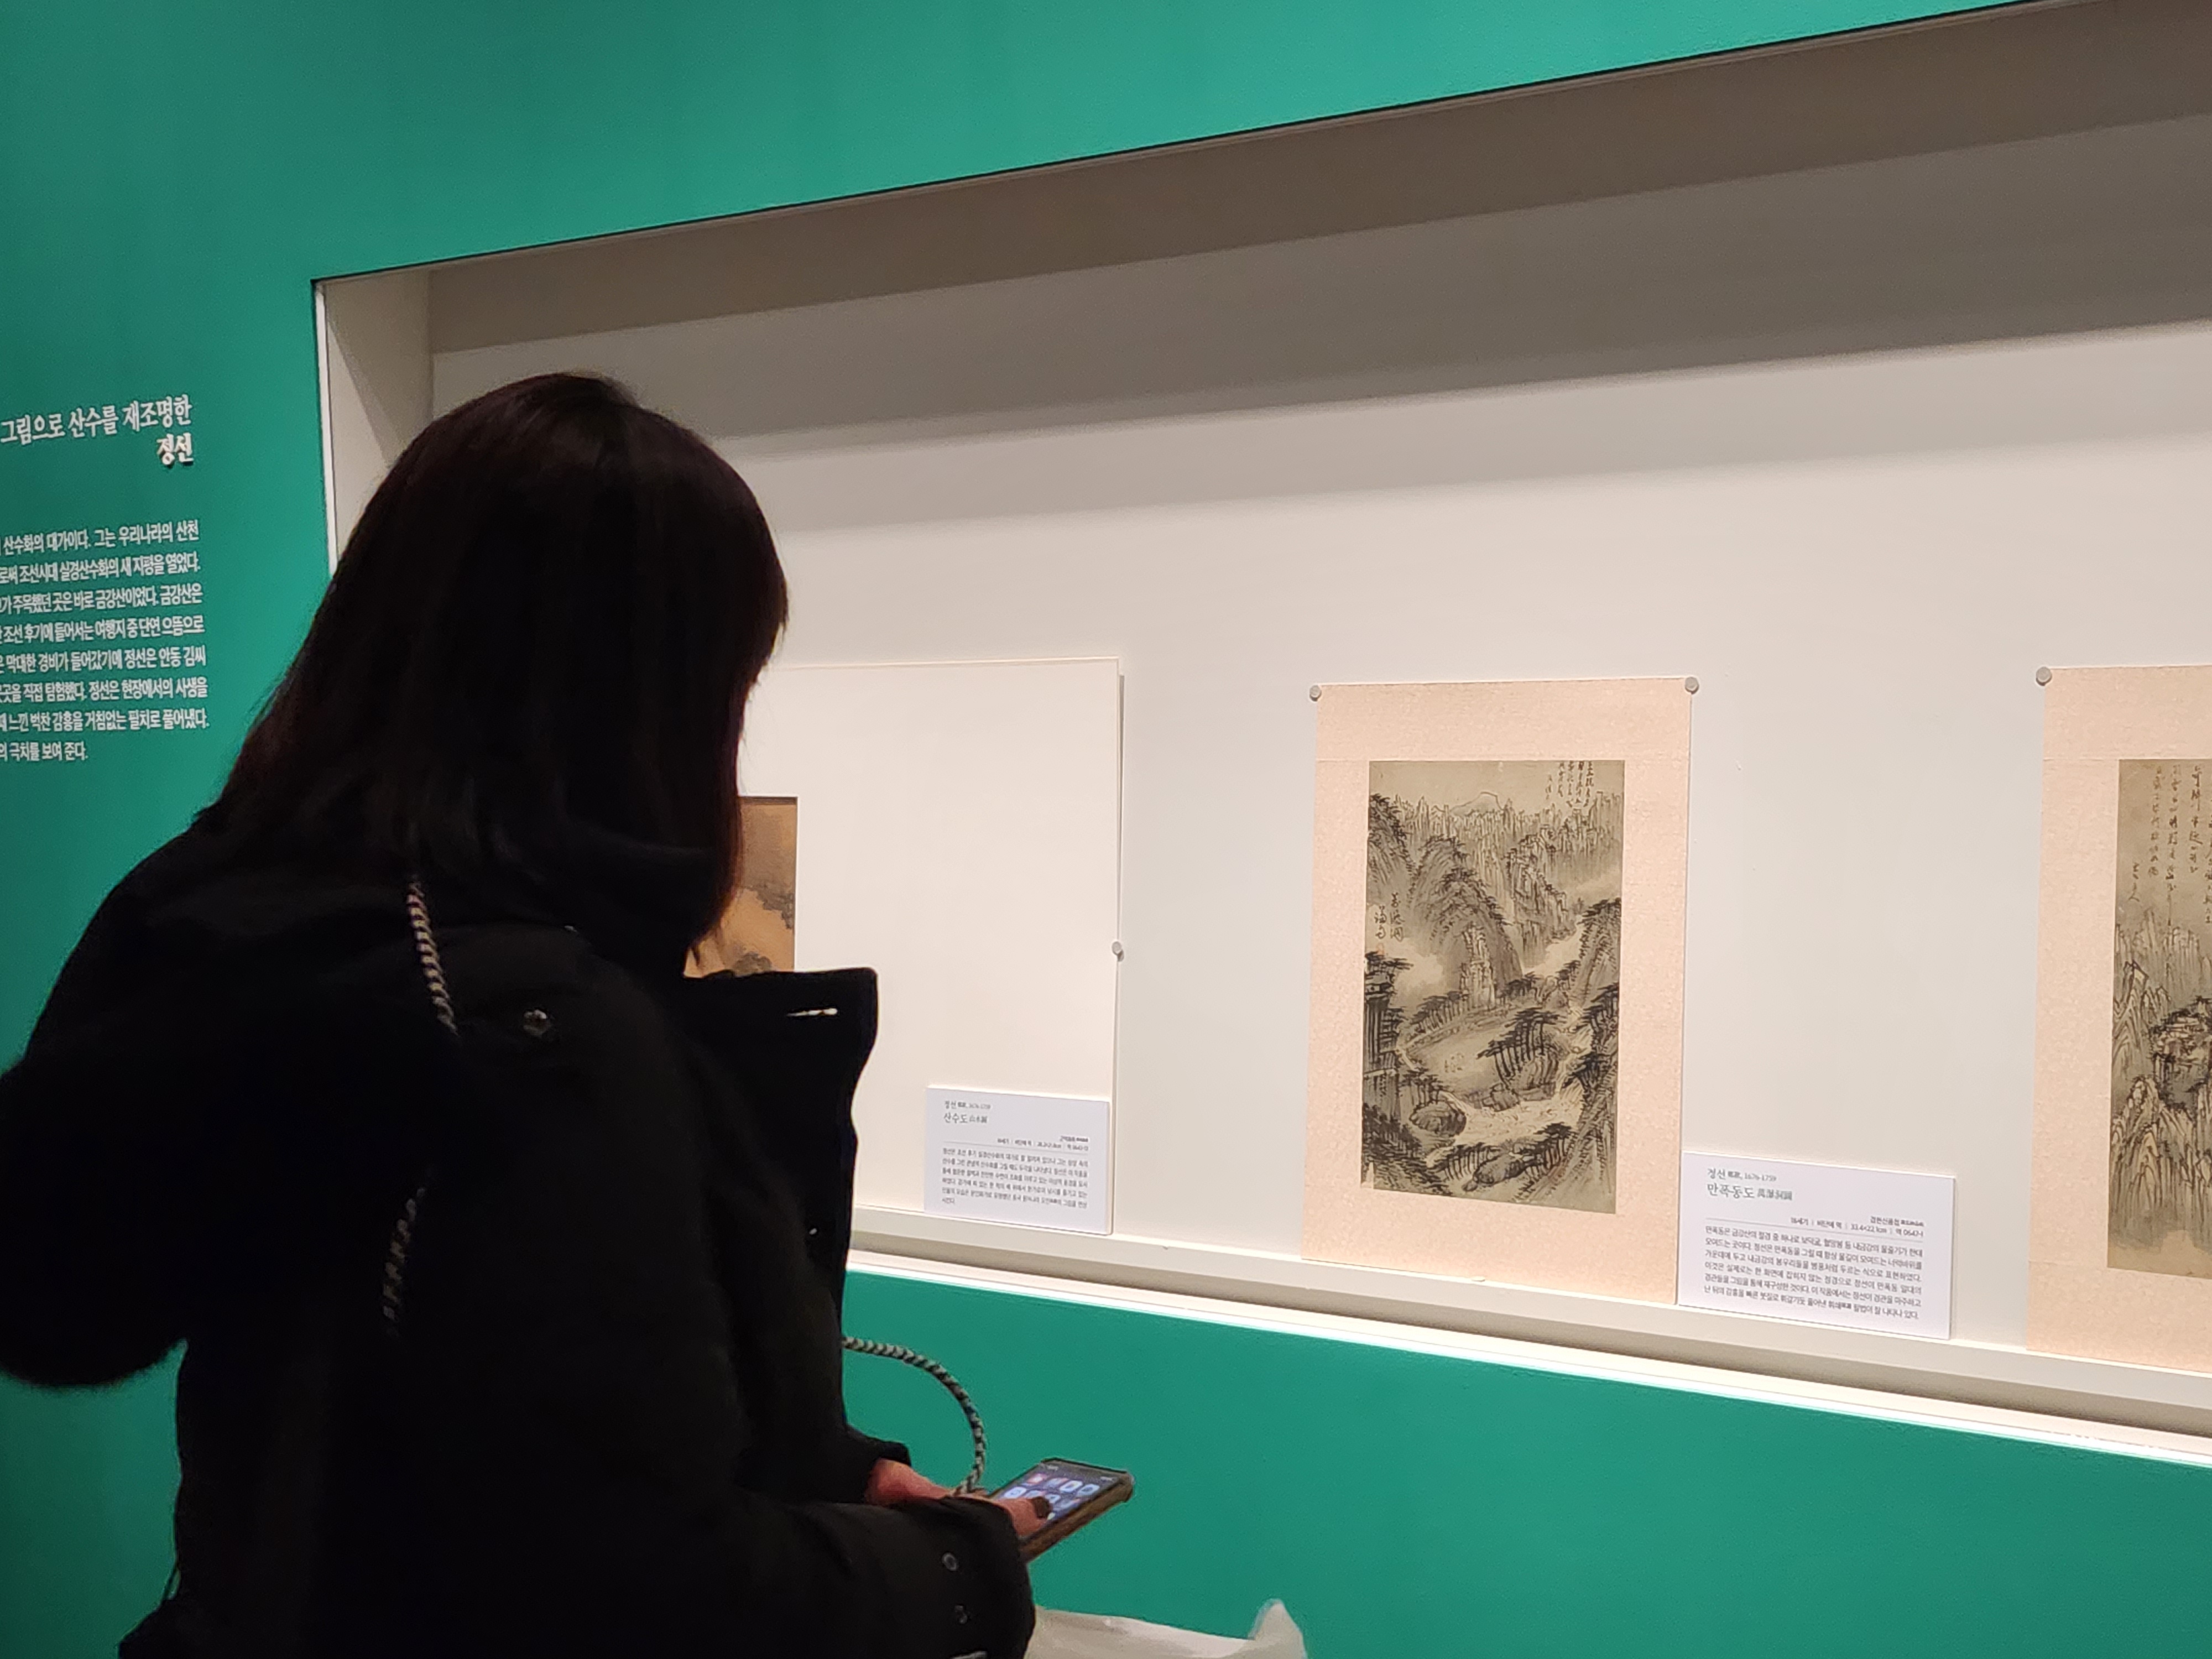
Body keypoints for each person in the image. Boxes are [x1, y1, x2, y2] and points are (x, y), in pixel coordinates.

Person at [0, 374, 1044, 1657]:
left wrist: (821, 1463)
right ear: (650, 699)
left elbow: (486, 1415)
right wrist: (950, 1570)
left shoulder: (218, 912)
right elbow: (637, 1590)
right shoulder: (538, 1034)